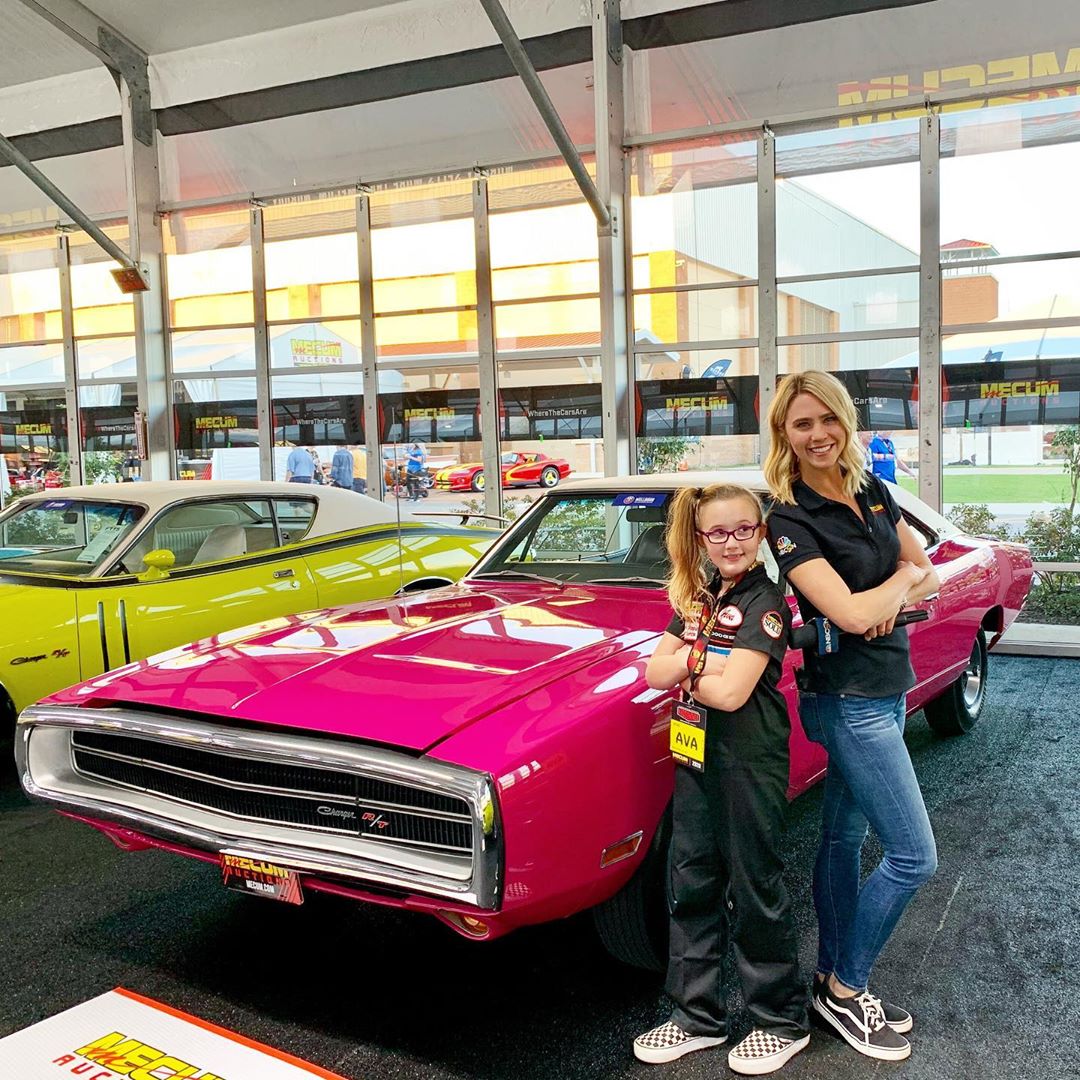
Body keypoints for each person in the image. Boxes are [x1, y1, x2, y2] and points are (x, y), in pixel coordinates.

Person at [763, 371, 940, 1063]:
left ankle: (828, 983)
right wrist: (899, 583)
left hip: (889, 685)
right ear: (784, 434)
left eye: (827, 419)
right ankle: (847, 986)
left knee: (842, 839)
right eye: (801, 424)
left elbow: (928, 570)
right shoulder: (789, 518)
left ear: (845, 420)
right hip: (845, 700)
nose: (818, 435)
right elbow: (851, 612)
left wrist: (898, 585)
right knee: (914, 856)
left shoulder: (871, 490)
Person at [633, 483, 810, 1076]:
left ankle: (779, 1021)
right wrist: (701, 663)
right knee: (691, 881)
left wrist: (687, 664)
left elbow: (733, 694)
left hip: (748, 760)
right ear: (701, 537)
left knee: (754, 886)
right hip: (695, 757)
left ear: (761, 534)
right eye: (717, 532)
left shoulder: (765, 601)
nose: (731, 542)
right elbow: (653, 671)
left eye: (743, 530)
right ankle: (696, 1017)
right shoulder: (699, 596)